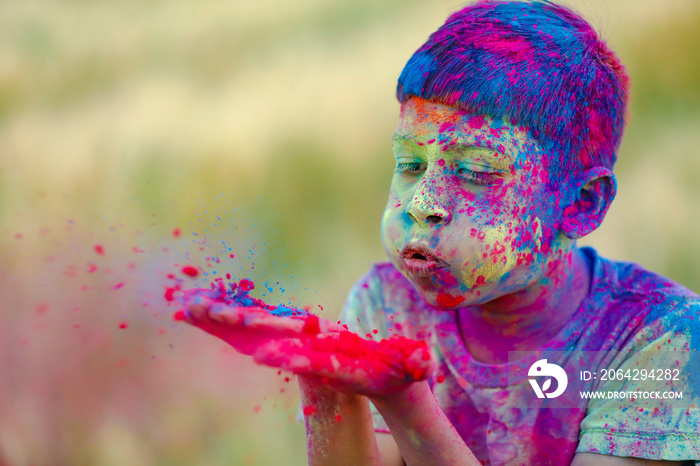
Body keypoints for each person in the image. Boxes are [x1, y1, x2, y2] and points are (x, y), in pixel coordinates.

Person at [182, 1, 700, 464]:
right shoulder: (387, 305)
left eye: (475, 173)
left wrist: (405, 401)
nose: (421, 204)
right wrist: (323, 380)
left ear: (581, 205)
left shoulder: (663, 338)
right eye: (409, 163)